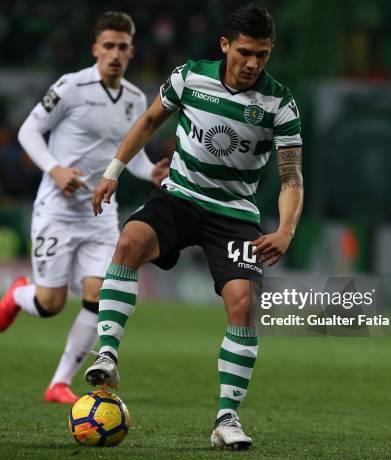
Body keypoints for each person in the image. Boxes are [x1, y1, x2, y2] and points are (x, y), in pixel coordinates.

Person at [85, 4, 303, 449]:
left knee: (243, 304)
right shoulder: (189, 77)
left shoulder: (279, 103)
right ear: (225, 45)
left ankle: (227, 420)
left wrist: (285, 230)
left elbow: (292, 177)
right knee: (128, 242)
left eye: (262, 55)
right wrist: (113, 171)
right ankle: (107, 354)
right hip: (179, 198)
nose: (252, 64)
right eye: (244, 52)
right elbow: (148, 121)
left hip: (235, 214)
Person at [0, 11, 168, 404]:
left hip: (101, 213)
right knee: (49, 304)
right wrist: (54, 169)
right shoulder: (70, 87)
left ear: (132, 51)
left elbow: (129, 156)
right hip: (56, 210)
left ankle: (59, 383)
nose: (115, 54)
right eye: (108, 46)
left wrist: (150, 172)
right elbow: (28, 130)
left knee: (99, 295)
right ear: (96, 49)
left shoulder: (137, 99)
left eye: (123, 47)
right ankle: (21, 293)